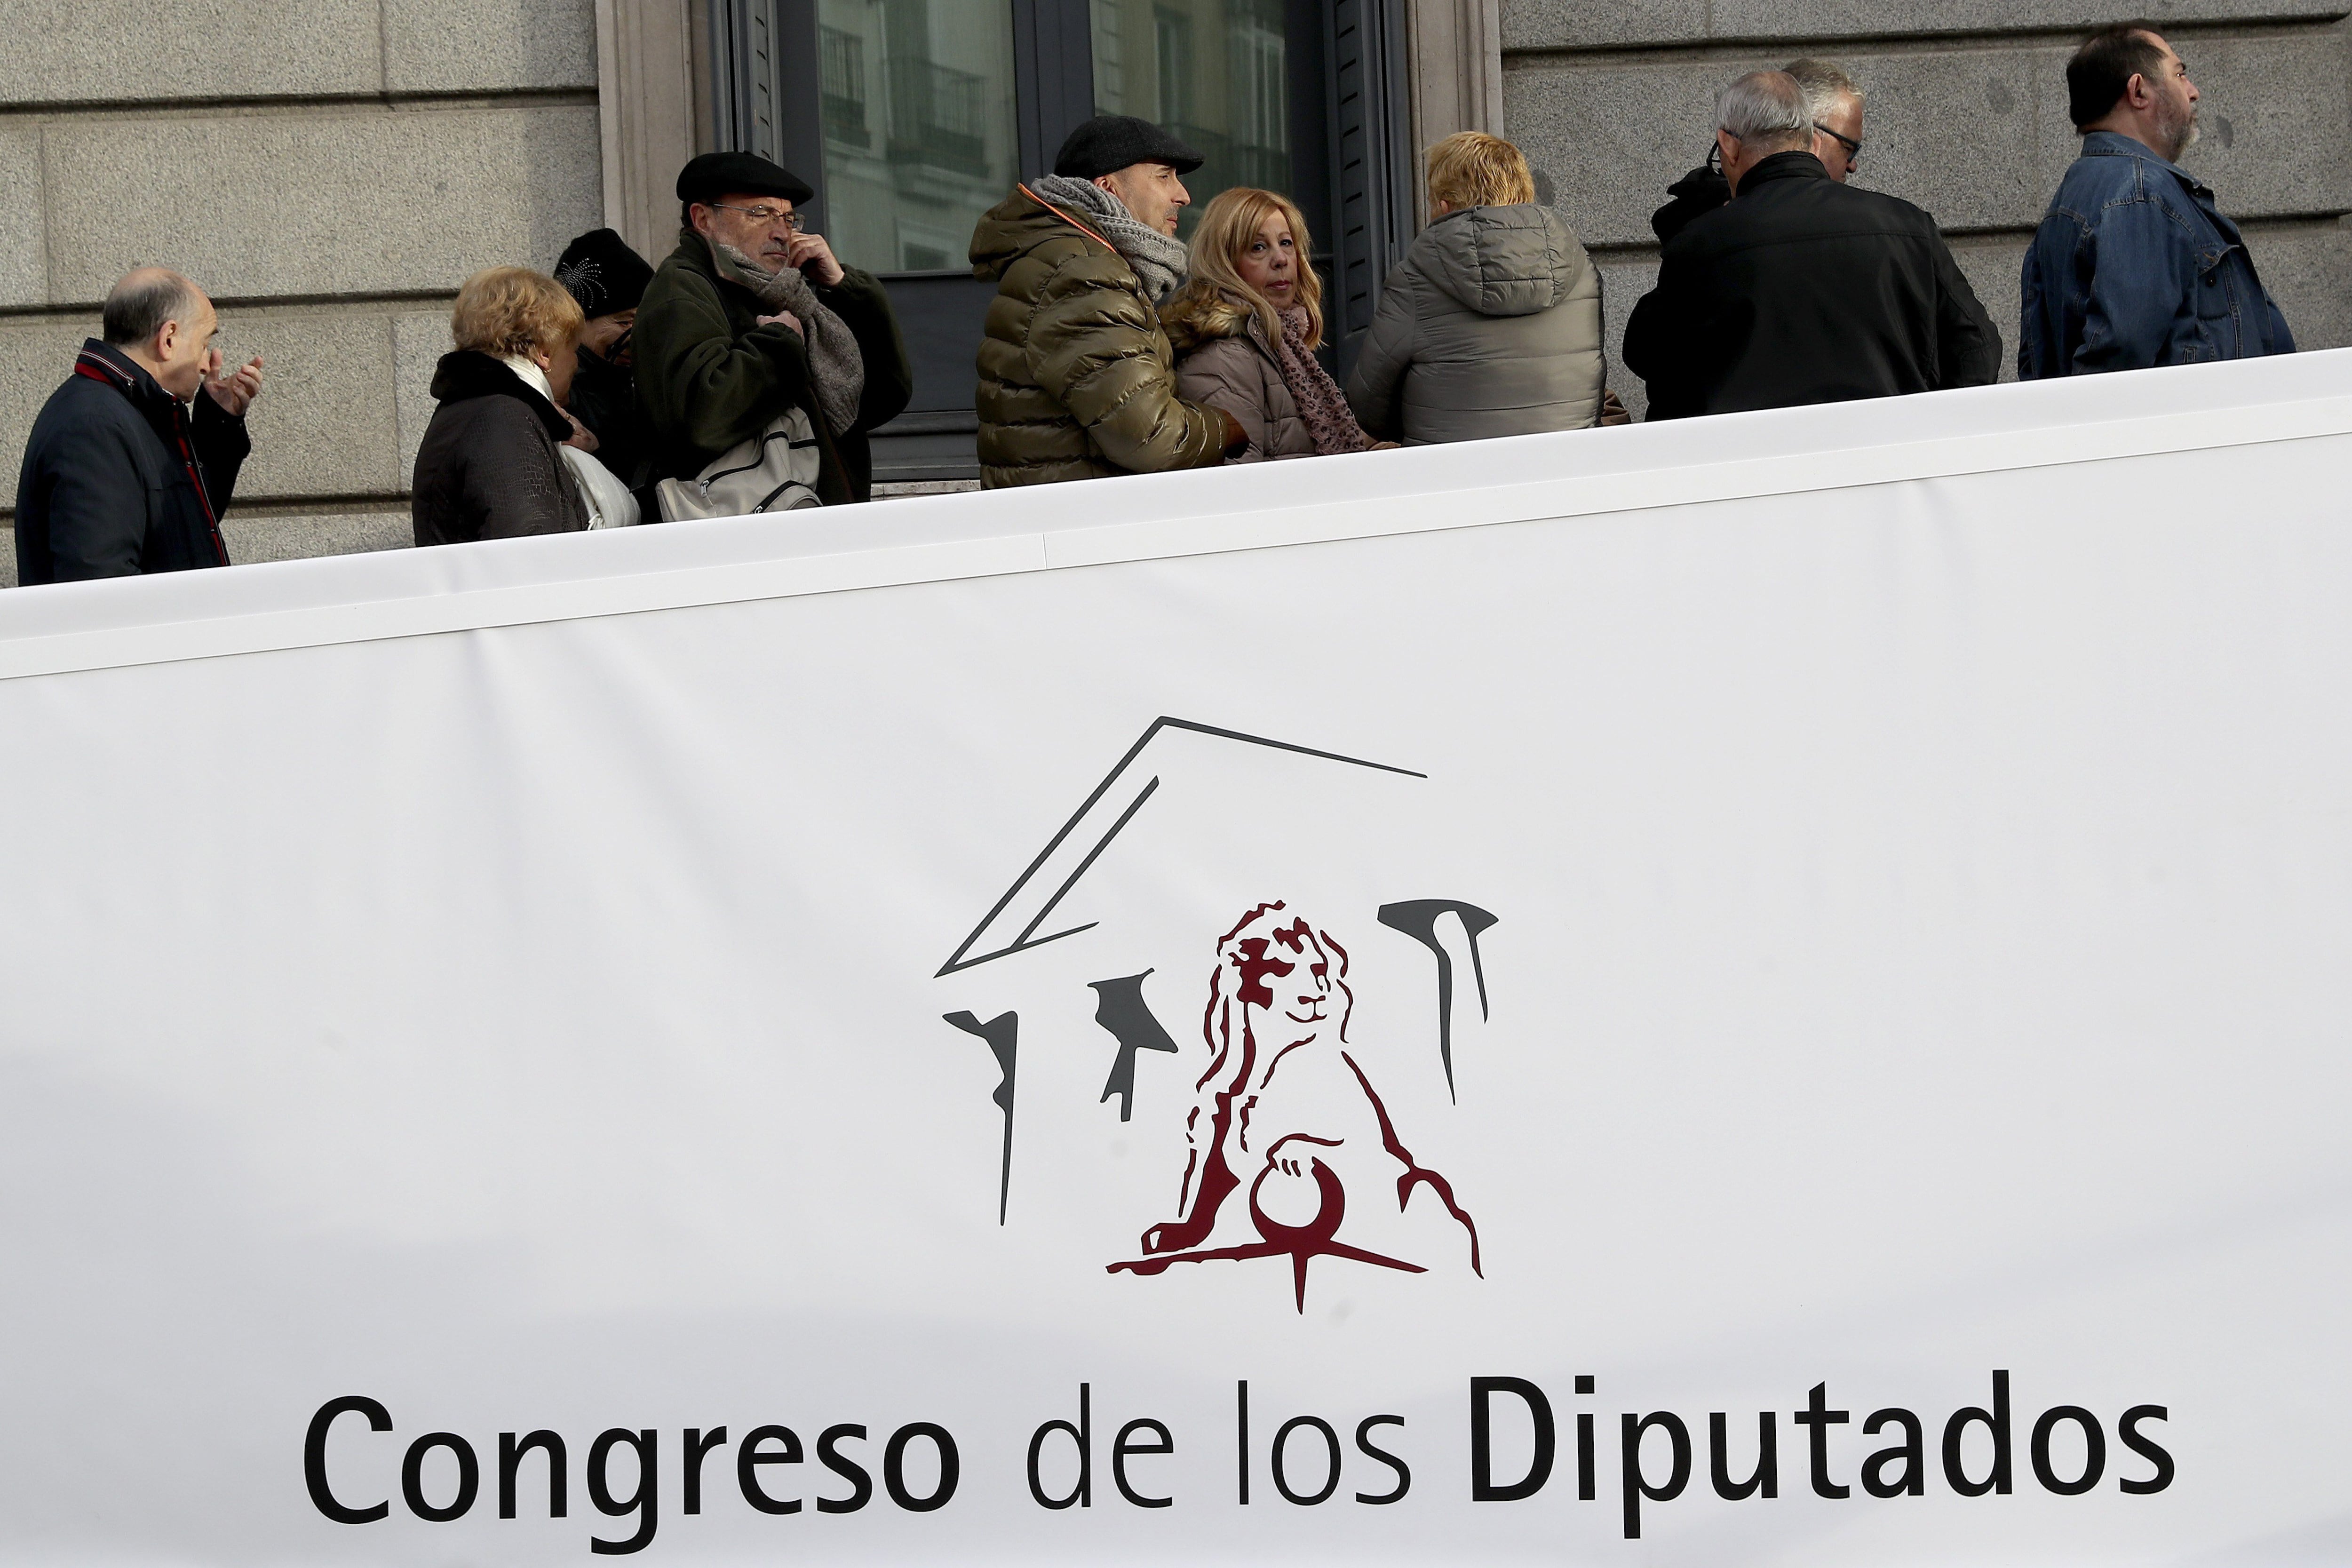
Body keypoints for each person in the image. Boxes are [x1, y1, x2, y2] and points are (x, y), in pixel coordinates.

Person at [1623, 71, 1999, 420]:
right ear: (1812, 140)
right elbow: (1977, 344)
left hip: (1758, 477)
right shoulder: (1907, 226)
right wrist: (1936, 440)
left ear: (1728, 145)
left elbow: (1649, 357)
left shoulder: (1700, 244)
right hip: (1887, 474)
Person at [968, 113, 1242, 486]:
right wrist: (1226, 428)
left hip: (1070, 516)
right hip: (1083, 525)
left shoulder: (1075, 260)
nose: (1183, 195)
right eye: (1164, 176)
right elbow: (1150, 437)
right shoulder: (1085, 273)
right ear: (1108, 188)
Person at [634, 151, 912, 507]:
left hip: (814, 522)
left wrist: (844, 288)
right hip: (744, 539)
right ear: (703, 219)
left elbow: (882, 397)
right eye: (760, 214)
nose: (782, 233)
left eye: (788, 218)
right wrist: (778, 345)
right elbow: (700, 418)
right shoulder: (681, 289)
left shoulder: (785, 294)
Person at [2018, 23, 2291, 378]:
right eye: (2180, 75)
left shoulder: (2078, 192)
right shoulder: (2141, 193)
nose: (2193, 92)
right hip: (2191, 429)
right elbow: (2123, 362)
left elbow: (2036, 359)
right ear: (2138, 91)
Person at [1344, 132, 1606, 443]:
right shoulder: (1581, 269)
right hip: (1563, 475)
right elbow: (1592, 388)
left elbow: (1368, 403)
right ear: (1524, 193)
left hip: (1452, 479)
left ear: (1445, 207)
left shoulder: (1415, 279)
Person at [13, 268, 264, 585]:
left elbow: (182, 532)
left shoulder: (138, 411)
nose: (205, 365)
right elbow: (100, 587)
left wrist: (219, 420)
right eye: (203, 344)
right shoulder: (96, 425)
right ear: (169, 339)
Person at [1161, 188, 1390, 462]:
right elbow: (1240, 484)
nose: (1281, 259)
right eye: (1258, 247)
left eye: (1286, 243)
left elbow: (1294, 446)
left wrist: (1371, 453)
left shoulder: (1282, 345)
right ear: (1225, 264)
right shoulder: (1224, 356)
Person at [412, 267, 613, 545]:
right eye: (573, 348)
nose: (576, 363)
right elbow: (528, 551)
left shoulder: (480, 408)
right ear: (544, 352)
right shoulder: (502, 419)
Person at [1650, 56, 1865, 244]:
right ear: (1807, 135)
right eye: (1847, 148)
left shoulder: (1699, 235)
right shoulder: (1704, 235)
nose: (1853, 165)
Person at [553, 227, 657, 489]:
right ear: (575, 322)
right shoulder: (558, 391)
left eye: (645, 323)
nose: (637, 338)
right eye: (624, 322)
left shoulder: (638, 383)